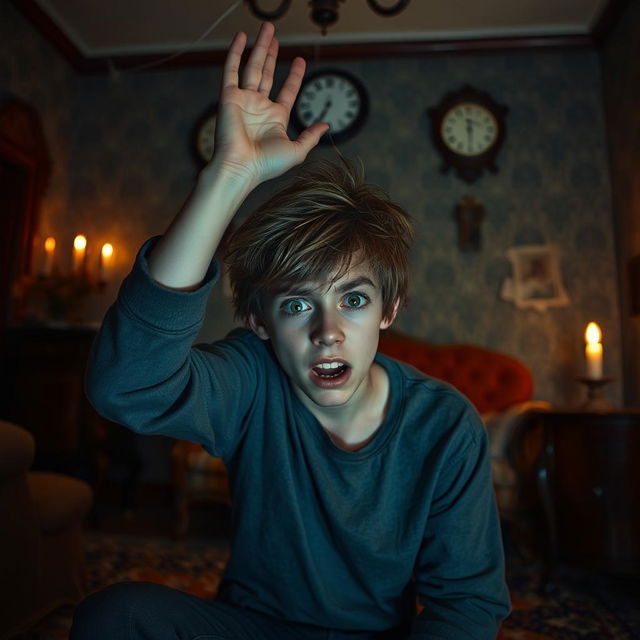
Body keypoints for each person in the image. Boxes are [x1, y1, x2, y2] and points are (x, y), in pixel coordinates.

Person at [71, 21, 510, 640]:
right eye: (298, 307)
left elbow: (466, 604)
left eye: (353, 300)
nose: (329, 332)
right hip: (253, 628)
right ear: (258, 322)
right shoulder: (252, 379)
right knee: (115, 616)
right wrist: (227, 177)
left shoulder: (445, 425)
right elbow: (126, 384)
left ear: (389, 309)